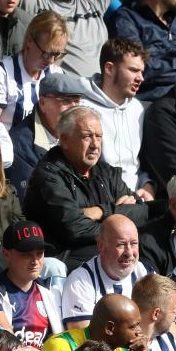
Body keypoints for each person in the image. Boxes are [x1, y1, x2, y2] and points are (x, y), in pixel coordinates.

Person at [23, 107, 147, 268]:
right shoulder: (48, 176)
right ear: (64, 140)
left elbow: (142, 211)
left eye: (99, 136)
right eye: (87, 136)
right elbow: (74, 229)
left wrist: (100, 211)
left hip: (108, 253)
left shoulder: (106, 172)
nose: (95, 144)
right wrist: (118, 217)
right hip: (68, 259)